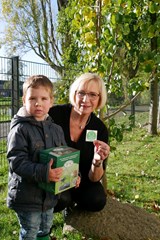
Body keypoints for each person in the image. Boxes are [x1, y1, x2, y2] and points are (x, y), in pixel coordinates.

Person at [7, 75, 68, 240]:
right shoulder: (20, 130)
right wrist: (43, 173)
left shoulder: (56, 129)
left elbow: (65, 155)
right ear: (24, 100)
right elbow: (17, 161)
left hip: (49, 195)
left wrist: (75, 175)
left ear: (51, 101)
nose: (38, 103)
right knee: (30, 230)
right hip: (27, 195)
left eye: (43, 98)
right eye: (32, 98)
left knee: (46, 227)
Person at [49, 72, 110, 213]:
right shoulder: (54, 115)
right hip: (55, 176)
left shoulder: (99, 128)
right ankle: (66, 203)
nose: (85, 99)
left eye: (93, 95)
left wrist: (97, 161)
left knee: (97, 200)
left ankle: (73, 206)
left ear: (99, 98)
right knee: (61, 199)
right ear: (74, 94)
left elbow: (94, 178)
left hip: (83, 180)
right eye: (81, 93)